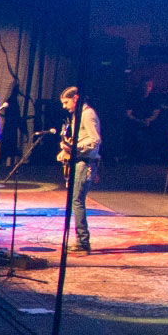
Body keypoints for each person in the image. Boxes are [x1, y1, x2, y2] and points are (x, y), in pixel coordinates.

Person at [57, 87, 101, 252]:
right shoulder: (78, 115)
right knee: (75, 200)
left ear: (76, 98)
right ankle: (81, 239)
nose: (64, 106)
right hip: (80, 160)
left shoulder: (87, 114)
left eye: (66, 102)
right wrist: (66, 150)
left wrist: (73, 148)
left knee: (77, 201)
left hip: (85, 162)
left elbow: (95, 140)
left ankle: (83, 241)